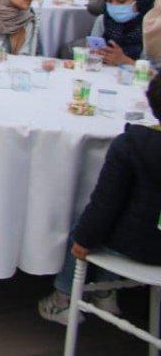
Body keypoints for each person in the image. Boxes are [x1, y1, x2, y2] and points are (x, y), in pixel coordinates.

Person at [37, 75, 161, 324]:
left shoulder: (131, 144)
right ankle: (105, 290)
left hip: (137, 244)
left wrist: (83, 239)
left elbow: (105, 203)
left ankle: (63, 297)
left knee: (87, 226)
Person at [87, 0, 155, 67]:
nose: (114, 6)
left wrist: (125, 61)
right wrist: (93, 53)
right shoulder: (103, 21)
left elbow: (154, 71)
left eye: (121, 1)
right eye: (110, 1)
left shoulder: (150, 26)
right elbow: (91, 57)